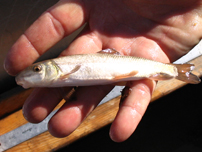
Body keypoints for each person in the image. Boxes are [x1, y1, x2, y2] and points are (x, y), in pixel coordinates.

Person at [4, 0, 202, 142]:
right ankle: (176, 71)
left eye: (38, 69)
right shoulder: (58, 77)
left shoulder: (60, 73)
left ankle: (176, 70)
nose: (35, 72)